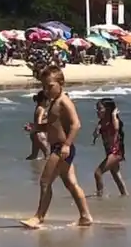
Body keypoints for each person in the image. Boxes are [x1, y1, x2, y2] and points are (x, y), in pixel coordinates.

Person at [22, 69, 93, 228]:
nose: (46, 90)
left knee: (45, 182)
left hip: (61, 148)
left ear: (61, 84)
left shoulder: (64, 101)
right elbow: (52, 126)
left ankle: (38, 217)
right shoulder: (54, 102)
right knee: (71, 184)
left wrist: (67, 145)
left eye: (50, 86)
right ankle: (85, 216)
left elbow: (76, 124)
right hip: (59, 147)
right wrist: (37, 127)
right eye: (44, 87)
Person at [91, 98, 127, 197]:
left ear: (107, 109)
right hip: (109, 153)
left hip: (116, 153)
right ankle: (125, 195)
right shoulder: (101, 122)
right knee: (116, 176)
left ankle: (100, 196)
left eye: (100, 109)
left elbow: (116, 129)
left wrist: (113, 115)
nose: (97, 111)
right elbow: (95, 135)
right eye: (97, 109)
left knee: (98, 173)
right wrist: (97, 131)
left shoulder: (113, 121)